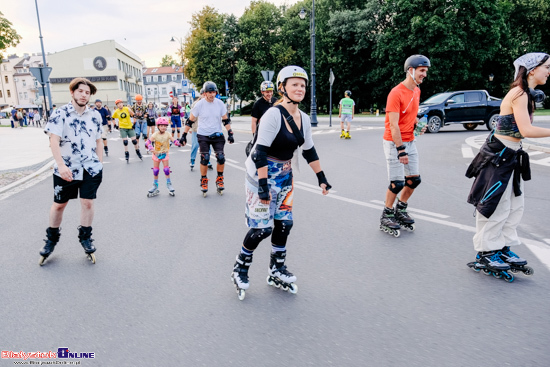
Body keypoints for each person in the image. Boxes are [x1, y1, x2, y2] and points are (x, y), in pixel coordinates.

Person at [230, 66, 332, 300]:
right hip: (260, 176)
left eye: (303, 85)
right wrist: (264, 185)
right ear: (282, 87)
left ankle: (276, 269)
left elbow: (309, 151)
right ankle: (240, 268)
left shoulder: (304, 119)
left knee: (284, 224)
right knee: (262, 228)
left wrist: (322, 178)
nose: (299, 88)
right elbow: (260, 152)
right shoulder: (273, 115)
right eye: (294, 84)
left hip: (285, 175)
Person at [466, 52, 550, 281]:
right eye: (547, 67)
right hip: (499, 156)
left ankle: (501, 246)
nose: (549, 72)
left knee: (514, 206)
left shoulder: (527, 95)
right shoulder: (519, 93)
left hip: (510, 156)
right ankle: (486, 251)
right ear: (532, 70)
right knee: (495, 205)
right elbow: (526, 131)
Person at [39, 77, 103, 265]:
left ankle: (85, 236)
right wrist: (60, 164)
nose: (84, 95)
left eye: (87, 92)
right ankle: (51, 240)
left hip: (90, 168)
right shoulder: (60, 114)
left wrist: (99, 163)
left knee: (88, 203)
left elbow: (99, 140)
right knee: (59, 205)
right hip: (66, 169)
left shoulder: (95, 115)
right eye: (81, 91)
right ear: (72, 92)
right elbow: (53, 140)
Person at [379, 55, 430, 237]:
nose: (425, 74)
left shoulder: (416, 91)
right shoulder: (396, 93)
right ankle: (387, 212)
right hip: (394, 142)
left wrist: (417, 124)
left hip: (410, 139)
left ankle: (400, 208)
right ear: (411, 70)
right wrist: (401, 150)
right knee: (397, 182)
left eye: (426, 71)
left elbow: (410, 116)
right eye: (422, 71)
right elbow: (393, 125)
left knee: (414, 179)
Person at [179, 81, 233, 196]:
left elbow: (225, 120)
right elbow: (190, 120)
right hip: (203, 135)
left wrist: (230, 132)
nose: (212, 94)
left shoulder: (220, 104)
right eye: (209, 92)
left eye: (213, 92)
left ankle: (220, 179)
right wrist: (183, 135)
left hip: (217, 134)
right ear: (204, 93)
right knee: (205, 157)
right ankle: (203, 180)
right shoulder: (199, 105)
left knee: (221, 157)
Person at [145, 117, 181, 197]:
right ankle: (155, 185)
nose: (163, 127)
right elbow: (148, 142)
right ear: (158, 126)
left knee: (166, 169)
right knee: (155, 170)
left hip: (165, 154)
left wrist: (178, 142)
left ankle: (169, 184)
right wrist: (150, 147)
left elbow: (173, 140)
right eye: (161, 126)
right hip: (156, 154)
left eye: (165, 126)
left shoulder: (168, 134)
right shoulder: (155, 134)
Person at [188, 88, 213, 171]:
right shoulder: (196, 104)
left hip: (207, 129)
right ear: (202, 94)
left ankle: (207, 160)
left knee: (207, 146)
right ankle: (192, 160)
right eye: (204, 94)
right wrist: (190, 127)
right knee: (195, 145)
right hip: (196, 128)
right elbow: (191, 117)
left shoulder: (210, 104)